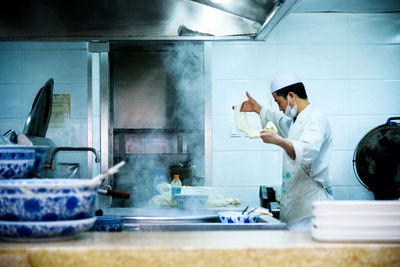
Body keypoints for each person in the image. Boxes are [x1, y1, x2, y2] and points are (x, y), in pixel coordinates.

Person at [237, 73, 333, 231]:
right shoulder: (298, 120)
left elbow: (308, 151)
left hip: (310, 209)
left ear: (291, 96)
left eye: (279, 102)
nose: (280, 108)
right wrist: (257, 109)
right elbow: (280, 122)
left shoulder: (315, 119)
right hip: (297, 206)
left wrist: (278, 140)